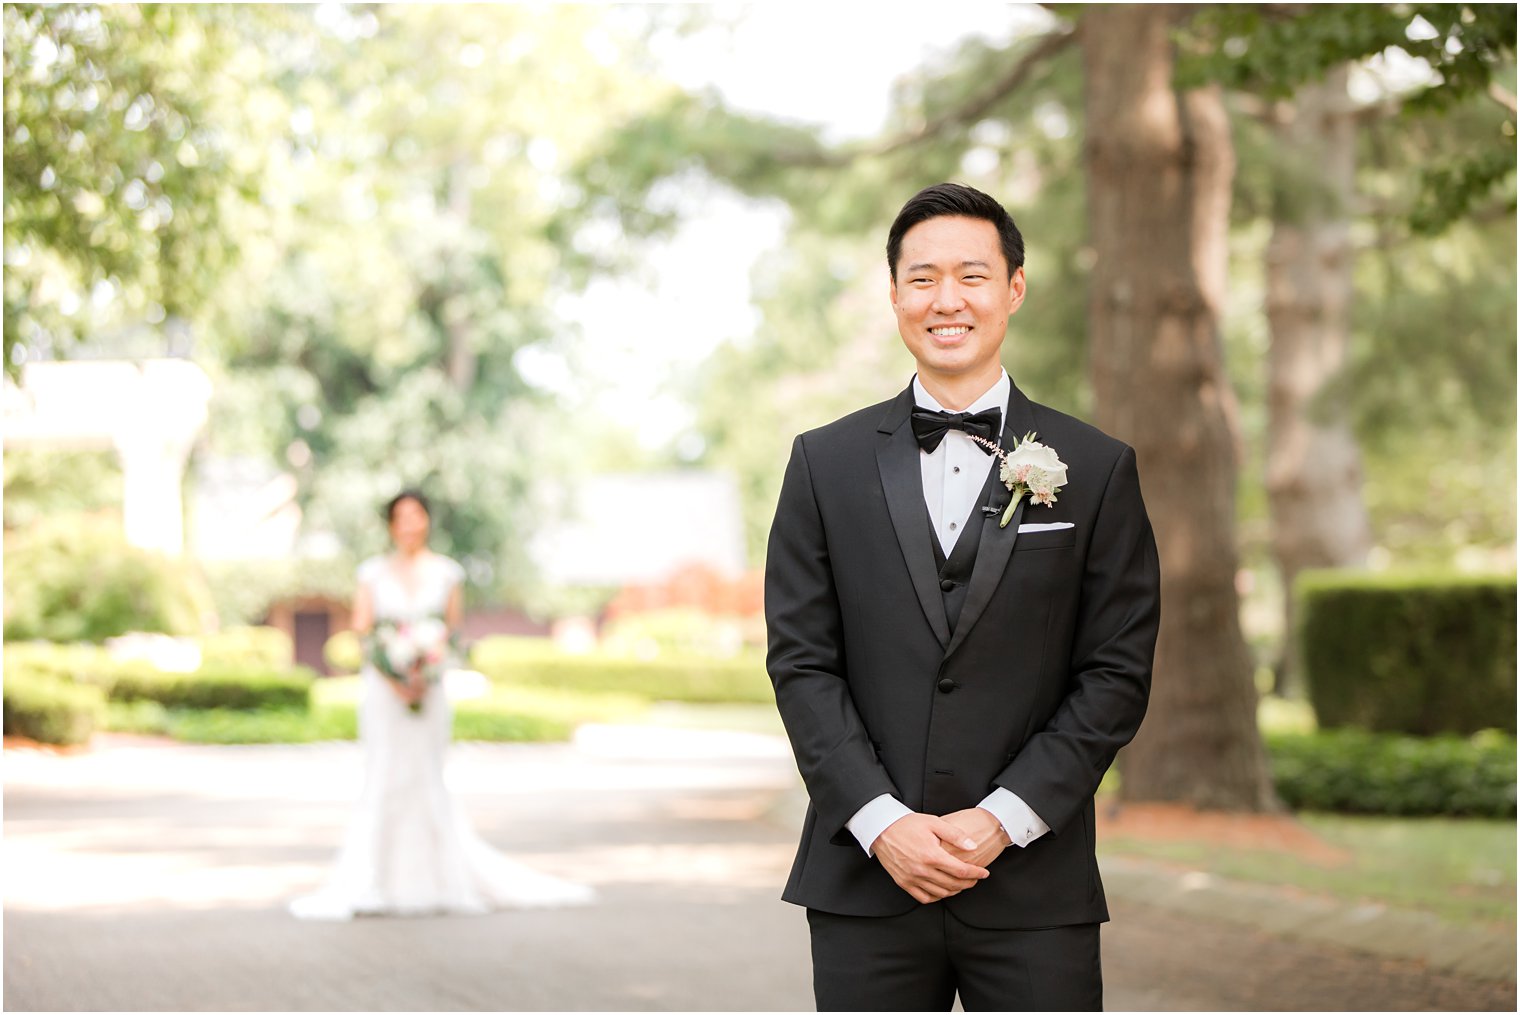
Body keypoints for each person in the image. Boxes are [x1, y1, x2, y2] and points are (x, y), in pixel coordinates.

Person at [764, 182, 1161, 1010]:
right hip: (864, 882)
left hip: (1032, 884)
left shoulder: (1095, 468)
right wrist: (881, 820)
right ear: (896, 294)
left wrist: (1005, 816)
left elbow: (1116, 670)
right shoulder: (821, 464)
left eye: (972, 276)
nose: (947, 300)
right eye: (923, 278)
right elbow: (802, 663)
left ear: (1014, 288)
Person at [290, 489, 594, 919]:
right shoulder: (373, 574)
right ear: (391, 525)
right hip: (383, 693)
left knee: (427, 776)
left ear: (427, 521)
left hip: (430, 693)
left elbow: (451, 634)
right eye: (402, 517)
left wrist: (426, 671)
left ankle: (438, 878)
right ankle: (374, 880)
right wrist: (394, 676)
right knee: (383, 776)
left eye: (418, 515)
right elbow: (364, 631)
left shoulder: (447, 574)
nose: (411, 524)